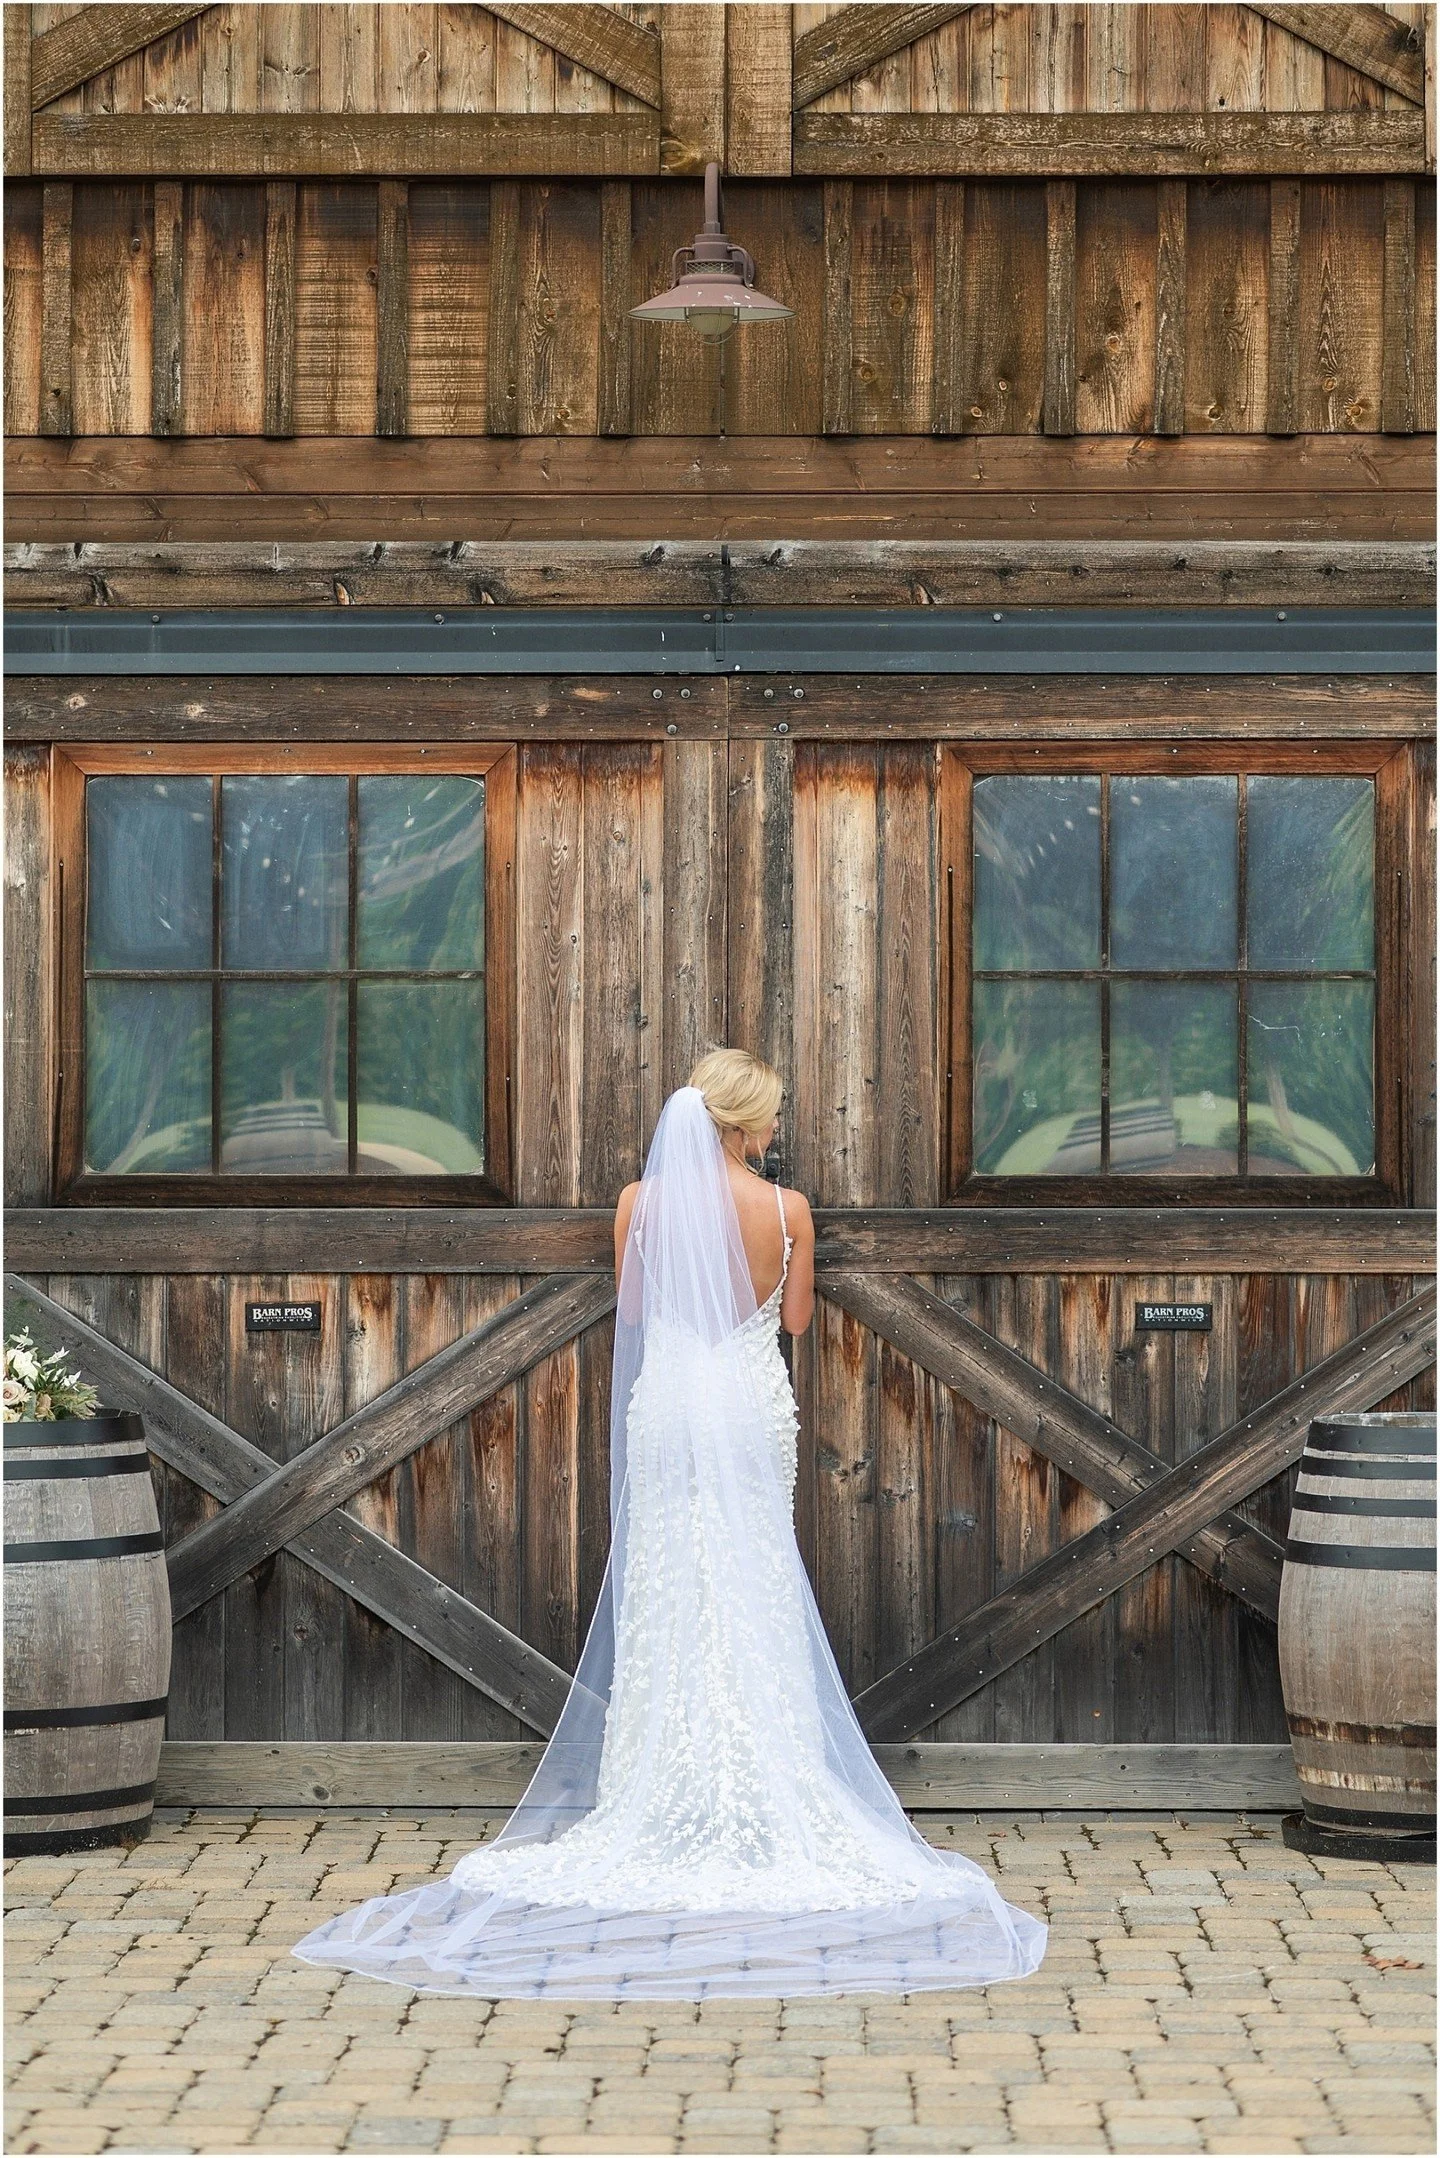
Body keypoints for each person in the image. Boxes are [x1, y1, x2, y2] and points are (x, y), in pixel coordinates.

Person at [293, 1048, 1047, 1998]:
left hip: (671, 1401)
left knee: (667, 1577)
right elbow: (799, 1323)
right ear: (739, 1126)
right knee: (755, 1573)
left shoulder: (638, 1204)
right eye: (770, 1119)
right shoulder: (791, 1212)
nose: (778, 1132)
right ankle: (765, 1790)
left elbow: (640, 1309)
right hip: (746, 1397)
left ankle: (667, 1790)